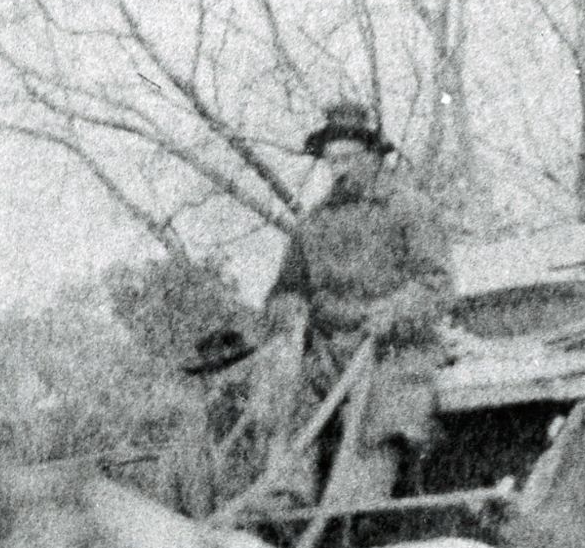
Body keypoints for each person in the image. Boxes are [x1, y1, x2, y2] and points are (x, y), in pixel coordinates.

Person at [243, 100, 454, 514]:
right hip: (328, 351)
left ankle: (354, 510)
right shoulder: (313, 222)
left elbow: (436, 284)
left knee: (379, 412)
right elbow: (286, 289)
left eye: (349, 159)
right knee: (282, 381)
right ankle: (284, 497)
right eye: (331, 161)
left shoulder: (408, 208)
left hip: (394, 350)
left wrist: (392, 313)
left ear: (374, 157)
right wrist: (290, 314)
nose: (339, 169)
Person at [169, 326, 263, 518]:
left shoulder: (239, 401)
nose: (206, 380)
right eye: (205, 374)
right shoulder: (211, 407)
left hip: (239, 493)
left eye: (214, 372)